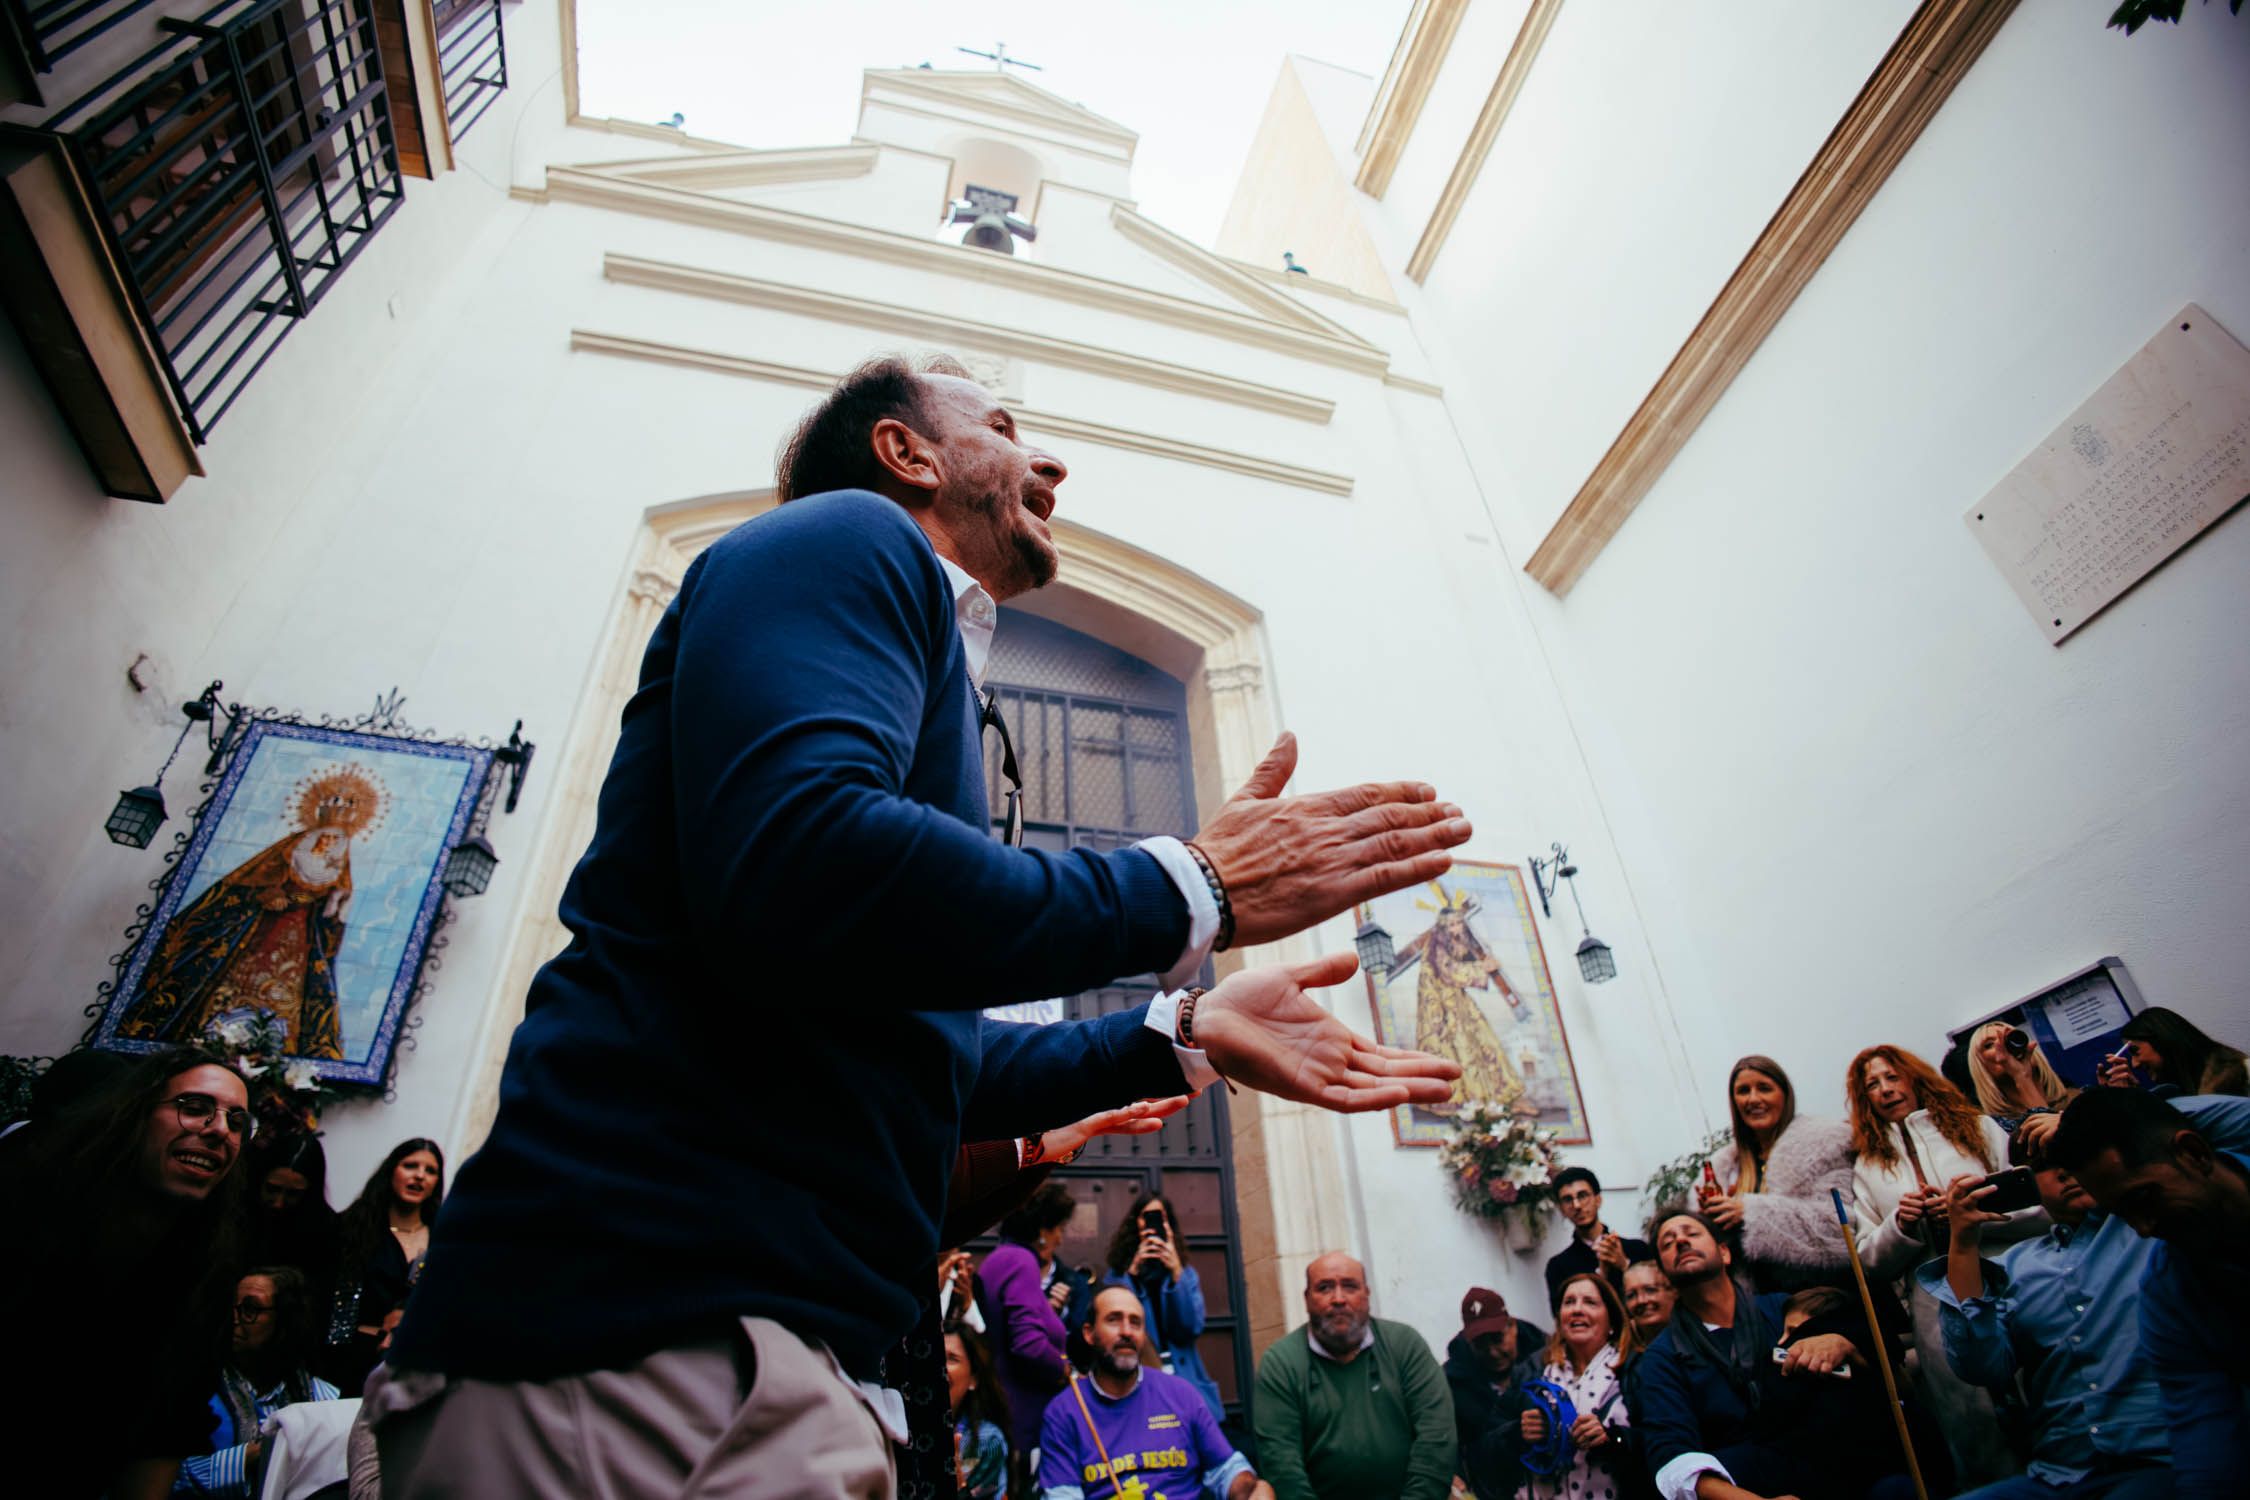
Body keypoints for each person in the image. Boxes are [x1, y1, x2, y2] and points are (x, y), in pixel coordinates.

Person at [376, 354, 1470, 1497]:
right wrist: (1188, 886)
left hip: (756, 1355)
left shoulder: (918, 661)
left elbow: (920, 1054)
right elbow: (808, 855)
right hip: (640, 1344)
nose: (1050, 462)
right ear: (906, 453)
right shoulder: (847, 535)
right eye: (1002, 426)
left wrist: (1180, 1033)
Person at [0, 1047, 252, 1499]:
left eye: (237, 1121)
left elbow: (166, 1425)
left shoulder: (206, 1271)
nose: (220, 1130)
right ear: (137, 1115)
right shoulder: (28, 1212)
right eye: (194, 1106)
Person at [1845, 1043, 2040, 1486]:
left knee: (2040, 1390)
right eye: (1872, 1084)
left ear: (1914, 1078)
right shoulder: (1869, 1165)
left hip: (2009, 1278)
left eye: (1892, 1076)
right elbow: (1867, 1260)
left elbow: (2037, 1202)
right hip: (1933, 1307)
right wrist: (1902, 1224)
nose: (1885, 1089)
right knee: (1975, 1428)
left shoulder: (1976, 1126)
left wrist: (1971, 1210)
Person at [1632, 1210, 1924, 1500]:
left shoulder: (1786, 1309)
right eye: (1668, 1243)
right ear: (1664, 1274)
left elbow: (1891, 1378)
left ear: (1724, 1253)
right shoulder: (1662, 1357)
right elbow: (1672, 1458)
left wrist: (1844, 1344)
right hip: (1745, 1485)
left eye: (1691, 1233)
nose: (1681, 1241)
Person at [2047, 1087, 2250, 1500]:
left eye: (2143, 1198)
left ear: (2194, 1153)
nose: (2143, 1228)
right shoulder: (2168, 1291)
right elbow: (2207, 1445)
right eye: (2123, 1215)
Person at [1253, 1251, 1455, 1500]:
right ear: (1307, 1299)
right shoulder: (1281, 1363)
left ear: (1367, 1294)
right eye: (1324, 1288)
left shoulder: (1405, 1346)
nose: (1338, 1299)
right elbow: (1282, 1466)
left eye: (1350, 1286)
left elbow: (1437, 1438)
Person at [1039, 1285, 1271, 1500]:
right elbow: (1062, 1496)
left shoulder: (1180, 1394)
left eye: (1135, 1323)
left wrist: (1248, 1486)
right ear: (1089, 1333)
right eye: (1114, 1320)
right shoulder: (1064, 1412)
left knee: (1262, 1491)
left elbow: (1226, 1470)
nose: (1127, 1331)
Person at [177, 1266, 341, 1498]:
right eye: (232, 1307)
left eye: (250, 1309)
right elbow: (162, 1476)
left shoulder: (322, 1399)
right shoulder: (197, 1389)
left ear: (285, 1319)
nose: (234, 1319)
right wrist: (245, 1459)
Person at [1697, 1056, 1855, 1291]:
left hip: (1827, 1296)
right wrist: (1710, 1222)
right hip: (1755, 1303)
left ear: (1785, 1095)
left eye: (1764, 1088)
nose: (1753, 1099)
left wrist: (1749, 1213)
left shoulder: (1826, 1144)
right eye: (1743, 1091)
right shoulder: (1723, 1168)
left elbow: (1841, 1231)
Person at [979, 1182, 1077, 1492]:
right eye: (1059, 1228)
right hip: (1023, 1417)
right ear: (1042, 1229)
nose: (1060, 1238)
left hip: (1006, 1409)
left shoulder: (1001, 1258)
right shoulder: (1021, 1262)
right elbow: (1029, 1344)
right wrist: (1064, 1367)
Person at [324, 1137, 443, 1396]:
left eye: (430, 1170)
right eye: (410, 1166)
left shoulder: (442, 1240)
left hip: (412, 1369)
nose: (420, 1176)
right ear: (391, 1170)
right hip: (350, 1362)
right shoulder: (354, 1228)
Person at [1517, 1272, 1650, 1500]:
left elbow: (1663, 1442)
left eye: (1590, 1302)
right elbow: (1488, 1443)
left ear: (1612, 1321)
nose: (1577, 1309)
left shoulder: (1638, 1368)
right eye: (1569, 1302)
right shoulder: (1532, 1370)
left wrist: (1612, 1439)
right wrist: (1518, 1432)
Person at [1101, 1190, 1225, 1423]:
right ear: (1136, 1223)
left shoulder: (1186, 1274)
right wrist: (1132, 1273)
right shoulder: (1118, 1276)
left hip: (1184, 1377)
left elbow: (1191, 1328)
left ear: (1169, 1225)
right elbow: (1118, 1324)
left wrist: (1176, 1272)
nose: (1153, 1224)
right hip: (1141, 1377)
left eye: (1160, 1217)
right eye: (1146, 1217)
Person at [1443, 1285, 1548, 1500]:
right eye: (1480, 1344)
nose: (1492, 1352)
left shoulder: (1549, 1361)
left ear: (1513, 1327)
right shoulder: (1451, 1385)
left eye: (1497, 1339)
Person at [243, 1130, 340, 1306]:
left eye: (293, 1194)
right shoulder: (237, 1214)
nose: (278, 1203)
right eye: (272, 1189)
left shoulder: (327, 1230)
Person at [1546, 1166, 1652, 1309]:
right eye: (1567, 1199)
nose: (1577, 1205)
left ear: (1598, 1200)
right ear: (1562, 1210)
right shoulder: (1558, 1267)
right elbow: (1561, 1315)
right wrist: (1601, 1274)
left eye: (1582, 1196)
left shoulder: (1638, 1249)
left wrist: (1624, 1265)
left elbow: (1654, 1297)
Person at [2096, 1006, 2248, 1098]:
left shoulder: (2244, 1072)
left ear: (2163, 1041)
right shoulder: (2181, 1093)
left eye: (2135, 1051)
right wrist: (2134, 1098)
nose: (2134, 1064)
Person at [1966, 1021, 2072, 1130]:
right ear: (1980, 1067)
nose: (2004, 1046)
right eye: (1989, 1045)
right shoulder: (1995, 1130)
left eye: (2010, 1038)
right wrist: (2021, 1076)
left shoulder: (2077, 1102)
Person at [945, 1326, 1010, 1500]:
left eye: (952, 1359)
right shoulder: (902, 1430)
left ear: (973, 1378)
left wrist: (960, 1489)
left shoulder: (987, 1441)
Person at [1620, 1262, 1677, 1345]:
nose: (1641, 1300)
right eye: (1631, 1295)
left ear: (1674, 1292)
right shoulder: (1622, 1349)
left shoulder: (1694, 1336)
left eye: (1650, 1290)